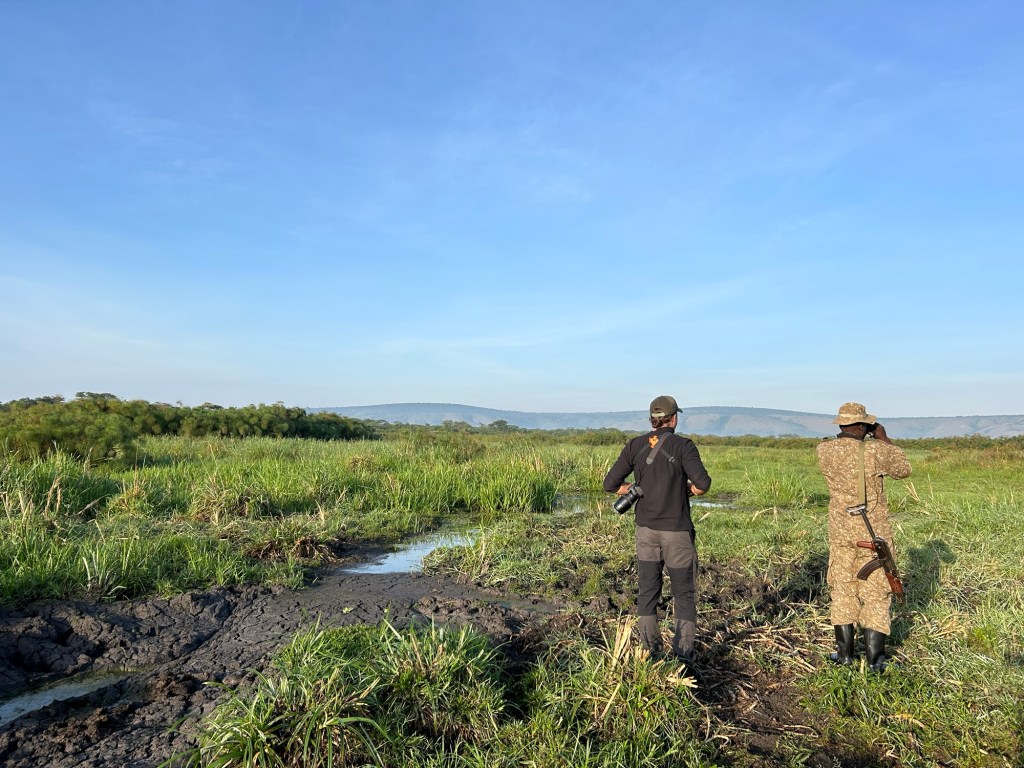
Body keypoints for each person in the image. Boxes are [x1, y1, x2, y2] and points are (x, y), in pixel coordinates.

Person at [603, 395, 712, 663]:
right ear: (673, 419)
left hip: (646, 532)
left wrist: (634, 488)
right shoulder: (683, 446)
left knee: (648, 591)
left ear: (652, 419)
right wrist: (687, 490)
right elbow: (703, 484)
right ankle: (683, 657)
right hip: (677, 533)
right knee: (683, 593)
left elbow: (610, 484)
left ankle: (651, 654)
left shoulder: (635, 445)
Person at [817, 402, 912, 672]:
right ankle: (875, 660)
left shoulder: (823, 449)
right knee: (877, 593)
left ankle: (844, 654)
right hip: (873, 533)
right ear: (862, 425)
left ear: (841, 424)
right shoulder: (876, 450)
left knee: (842, 589)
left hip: (840, 532)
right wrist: (883, 437)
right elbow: (903, 470)